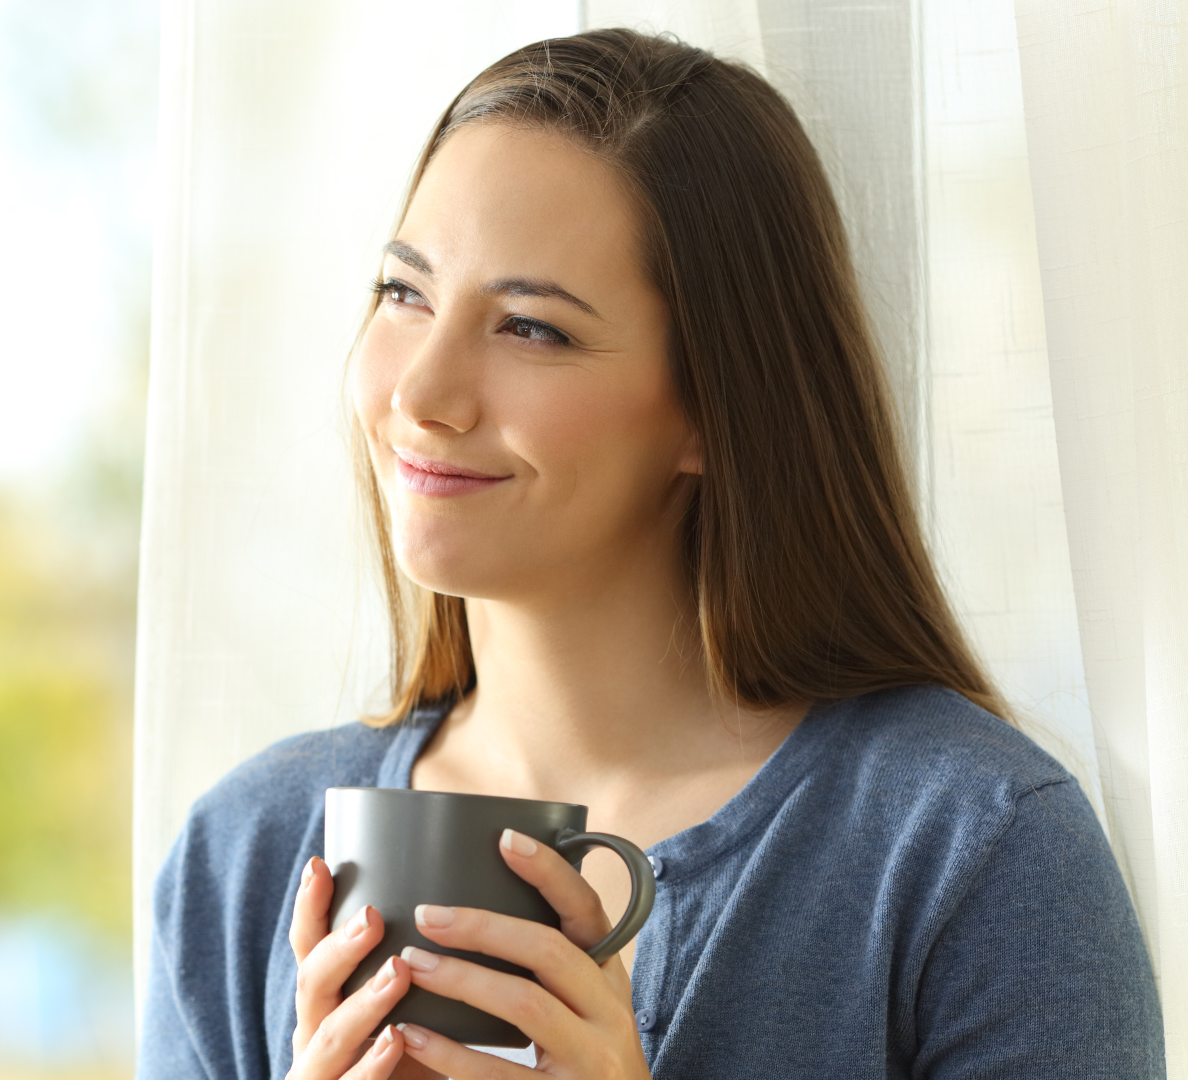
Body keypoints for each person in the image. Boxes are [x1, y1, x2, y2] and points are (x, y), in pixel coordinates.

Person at [138, 28, 1163, 1080]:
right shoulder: (247, 855)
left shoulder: (976, 850)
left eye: (531, 329)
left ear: (714, 409)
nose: (419, 394)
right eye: (406, 294)